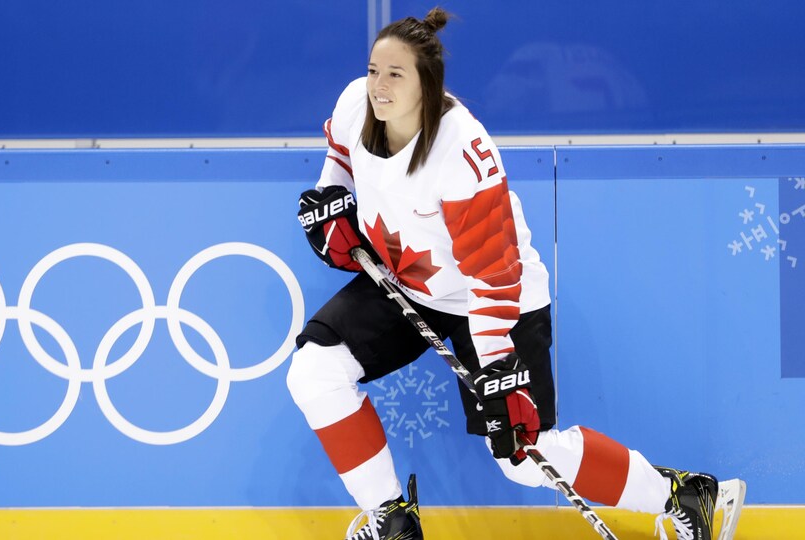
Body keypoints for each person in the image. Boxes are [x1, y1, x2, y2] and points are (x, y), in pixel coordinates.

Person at [287, 7, 736, 540]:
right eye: (373, 70)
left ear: (426, 85)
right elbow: (341, 159)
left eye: (395, 74)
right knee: (315, 371)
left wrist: (500, 369)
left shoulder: (461, 153)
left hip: (497, 300)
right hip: (413, 283)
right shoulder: (355, 104)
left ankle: (683, 494)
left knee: (524, 457)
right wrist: (330, 199)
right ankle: (390, 518)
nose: (378, 86)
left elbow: (494, 275)